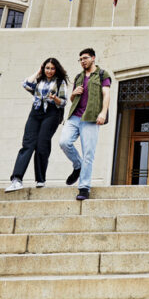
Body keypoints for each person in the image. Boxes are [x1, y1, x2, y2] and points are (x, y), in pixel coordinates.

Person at [5, 58, 69, 192]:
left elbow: (63, 102)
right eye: (47, 68)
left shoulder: (59, 82)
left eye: (52, 68)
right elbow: (25, 84)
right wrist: (38, 71)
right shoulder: (39, 81)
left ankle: (40, 179)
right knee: (27, 144)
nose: (49, 71)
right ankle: (16, 179)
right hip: (36, 112)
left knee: (42, 145)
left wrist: (54, 98)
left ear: (56, 69)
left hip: (51, 113)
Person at [59, 47, 112, 200]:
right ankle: (77, 165)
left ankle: (84, 187)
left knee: (88, 153)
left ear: (93, 58)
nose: (83, 61)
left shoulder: (102, 75)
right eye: (81, 59)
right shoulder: (79, 77)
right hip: (75, 116)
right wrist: (73, 94)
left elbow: (106, 94)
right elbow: (73, 100)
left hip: (90, 118)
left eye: (85, 58)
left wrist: (103, 113)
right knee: (64, 142)